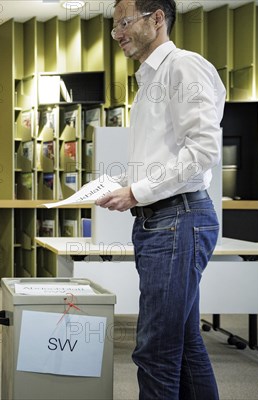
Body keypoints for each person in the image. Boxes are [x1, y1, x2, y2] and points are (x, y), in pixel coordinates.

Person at [96, 0, 225, 398]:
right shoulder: (150, 79)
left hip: (178, 219)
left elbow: (202, 152)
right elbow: (165, 157)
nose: (117, 33)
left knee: (156, 351)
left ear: (157, 19)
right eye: (114, 25)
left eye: (125, 23)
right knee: (183, 345)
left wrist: (138, 190)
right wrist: (128, 185)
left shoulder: (183, 67)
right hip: (163, 221)